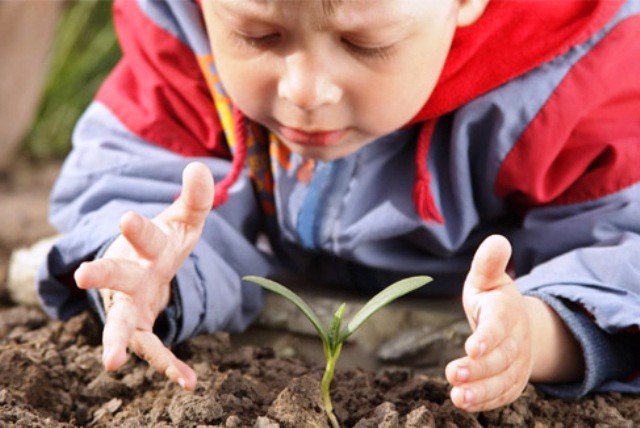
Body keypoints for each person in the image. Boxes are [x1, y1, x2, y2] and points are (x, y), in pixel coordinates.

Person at [37, 0, 640, 413]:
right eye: (258, 34)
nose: (305, 91)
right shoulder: (186, 36)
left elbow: (622, 247)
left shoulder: (574, 80)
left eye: (365, 42)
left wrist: (540, 334)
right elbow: (138, 172)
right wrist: (147, 268)